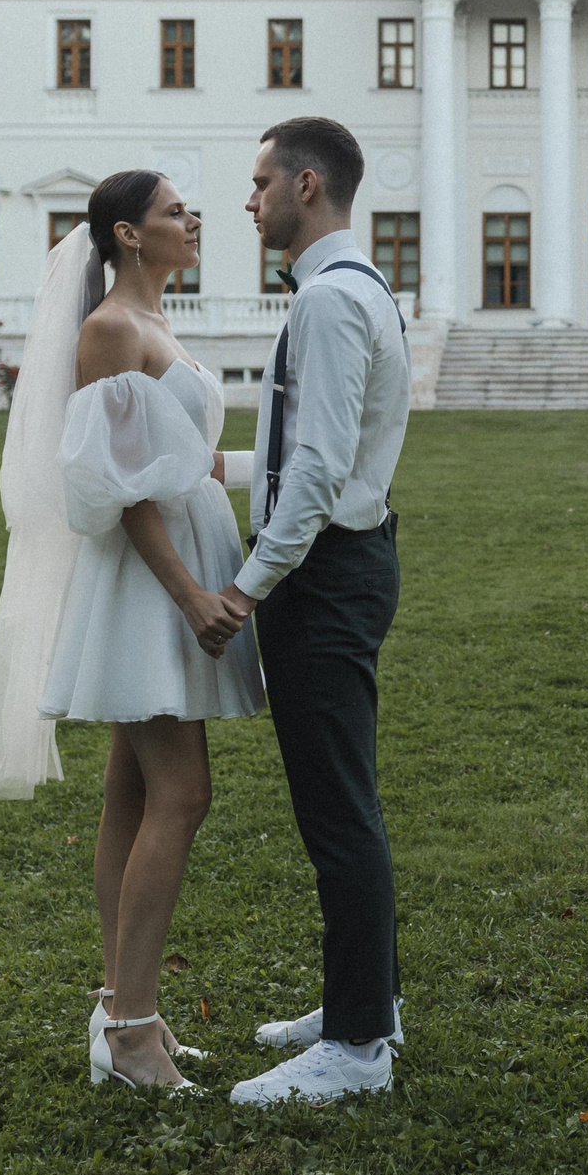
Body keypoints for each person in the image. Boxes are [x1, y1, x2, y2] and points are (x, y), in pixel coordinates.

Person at [0, 169, 261, 1095]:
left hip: (173, 565)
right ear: (129, 234)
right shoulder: (110, 329)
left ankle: (121, 1010)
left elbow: (184, 462)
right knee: (183, 792)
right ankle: (131, 1028)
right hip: (150, 583)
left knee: (132, 793)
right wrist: (190, 596)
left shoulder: (157, 321)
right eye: (177, 210)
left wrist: (279, 467)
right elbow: (117, 487)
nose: (195, 218)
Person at [221, 117, 414, 1107]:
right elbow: (300, 454)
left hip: (324, 574)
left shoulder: (332, 301)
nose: (249, 200)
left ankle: (358, 1047)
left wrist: (245, 587)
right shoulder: (352, 288)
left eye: (260, 182)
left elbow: (320, 470)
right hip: (345, 560)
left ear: (306, 185)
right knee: (345, 798)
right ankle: (367, 997)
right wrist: (203, 467)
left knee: (337, 809)